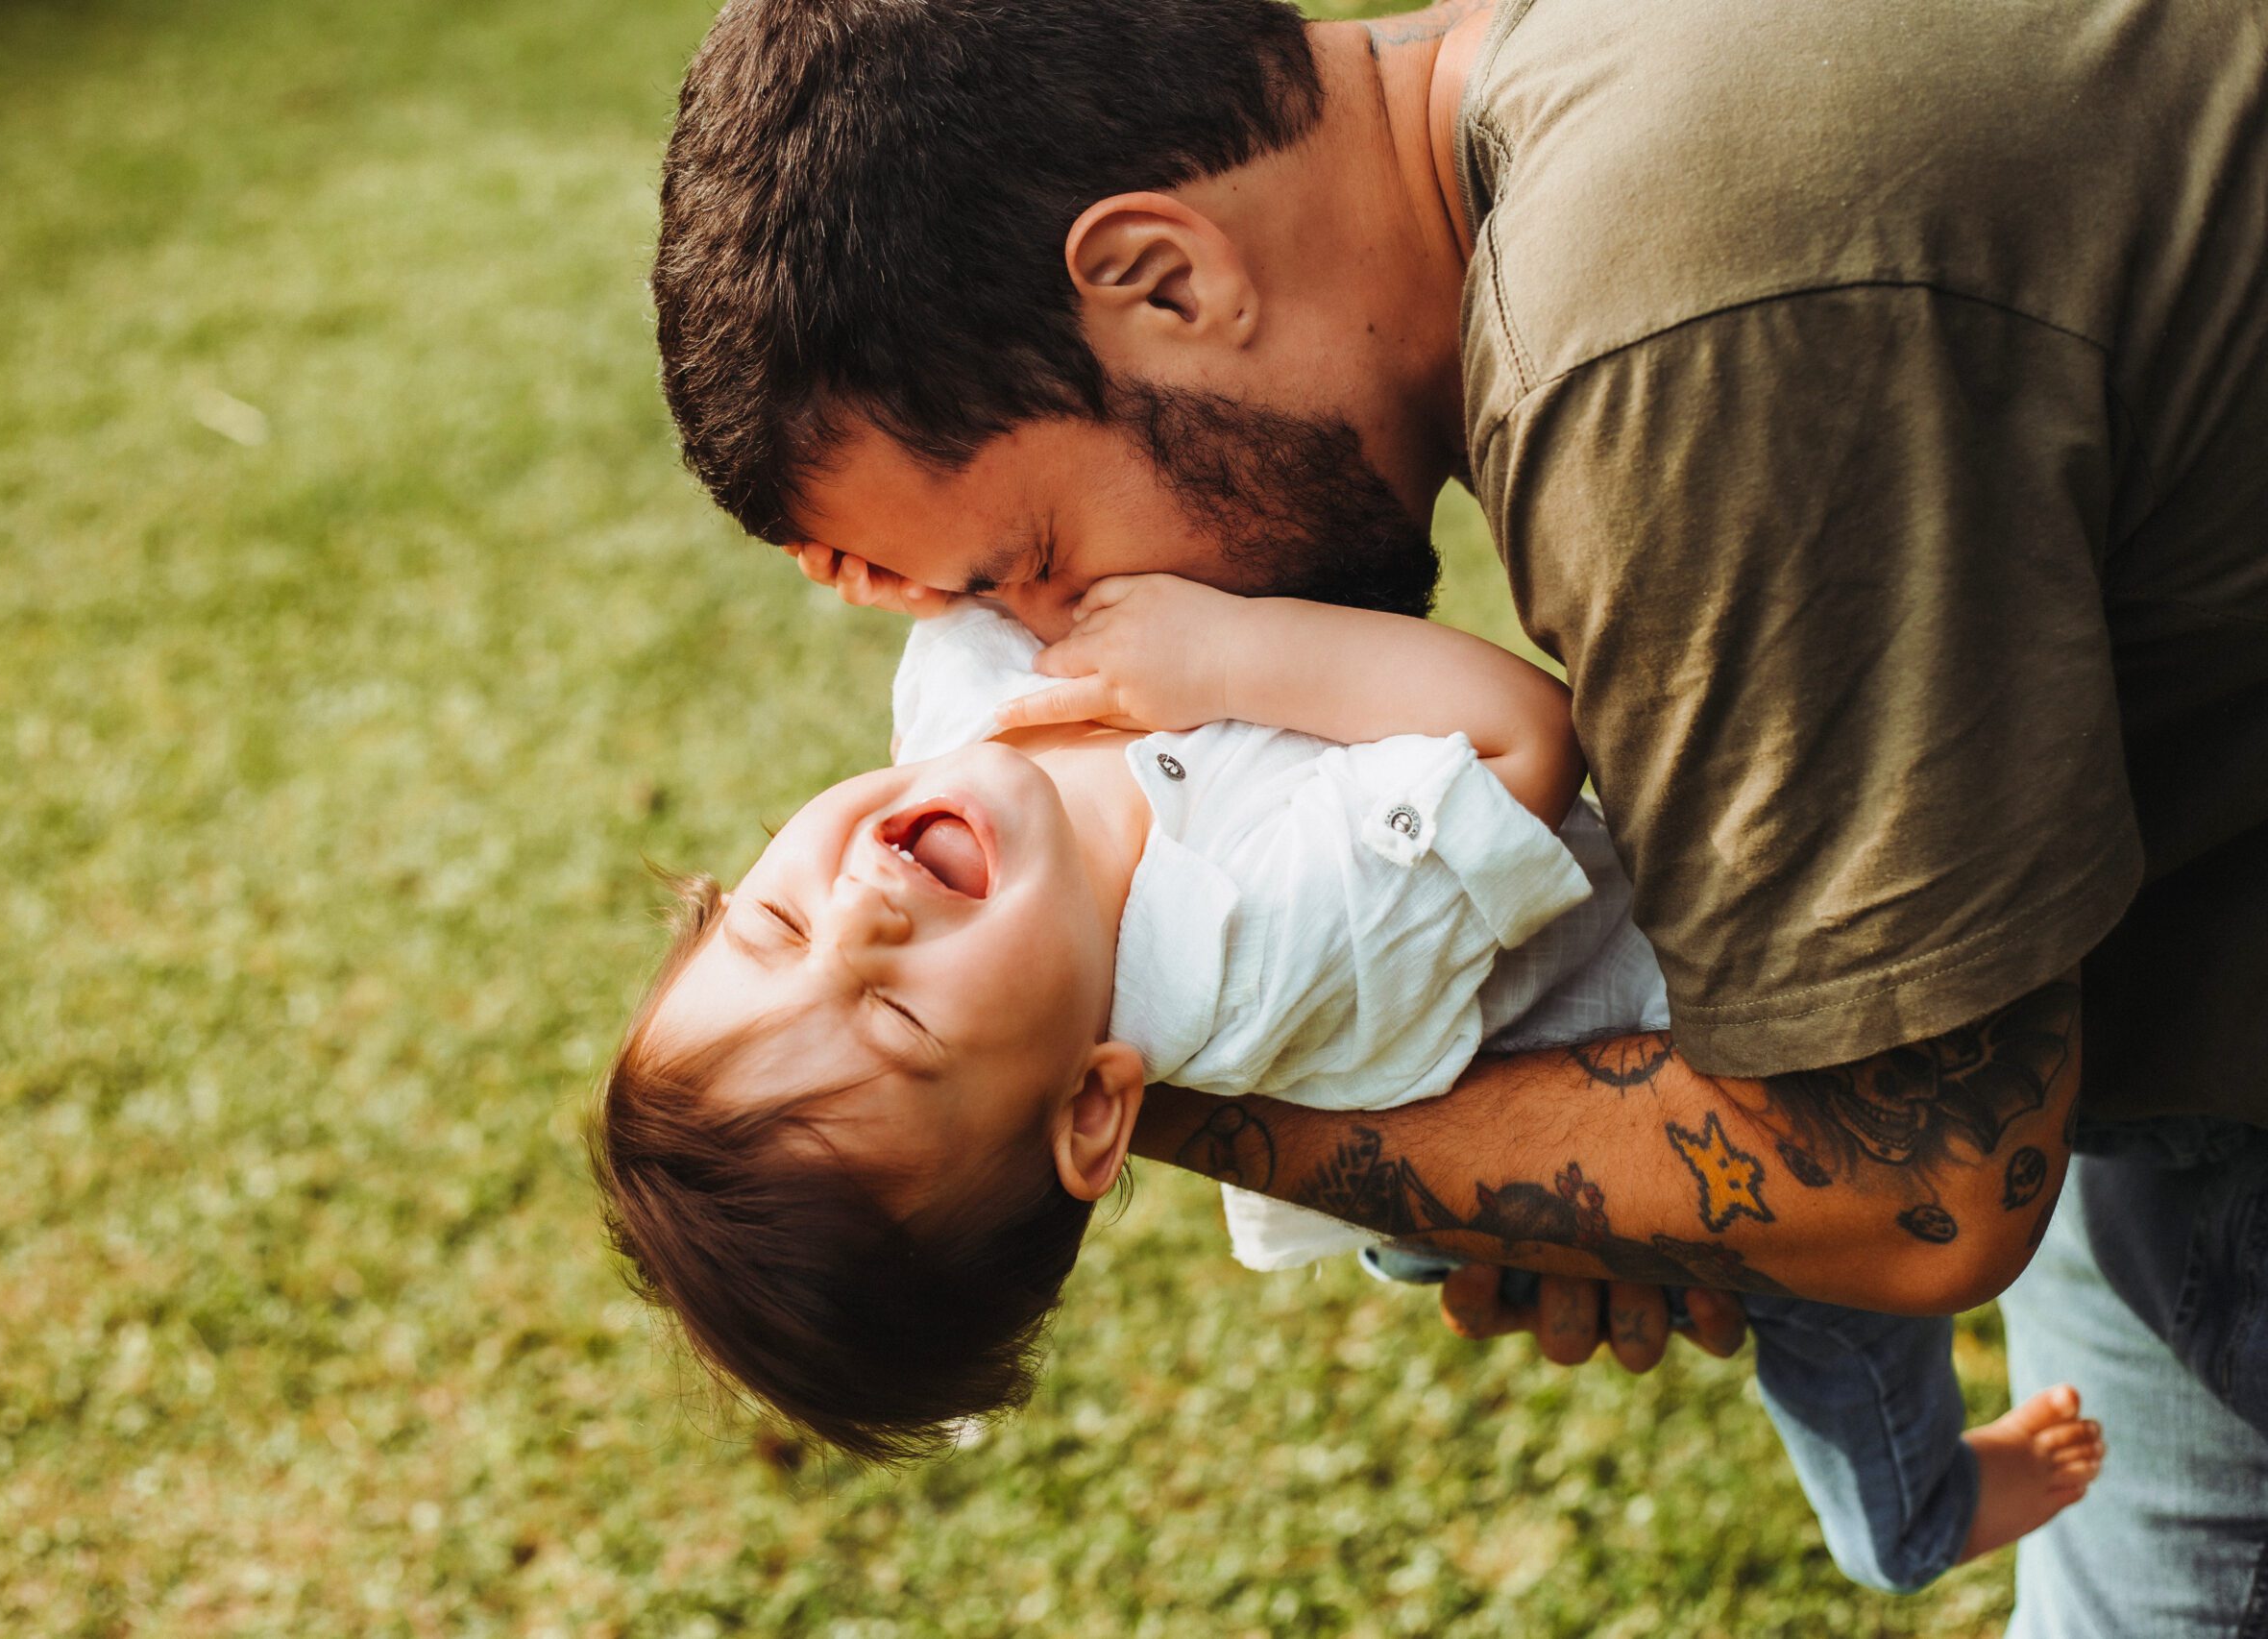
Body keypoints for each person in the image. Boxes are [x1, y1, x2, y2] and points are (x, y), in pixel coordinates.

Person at [648, 0, 2268, 1628]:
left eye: (1035, 559)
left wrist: (1132, 1095)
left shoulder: (1670, 326)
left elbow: (1924, 1187)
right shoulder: (1587, 94)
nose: (1058, 625)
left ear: (1166, 279)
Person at [594, 580, 2104, 1591]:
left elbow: (974, 582)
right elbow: (1523, 738)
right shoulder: (1265, 950)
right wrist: (1228, 652)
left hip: (1473, 1084)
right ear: (1095, 1108)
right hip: (1692, 1057)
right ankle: (1915, 1512)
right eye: (895, 1013)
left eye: (772, 921)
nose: (857, 913)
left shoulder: (953, 722)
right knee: (1834, 1307)